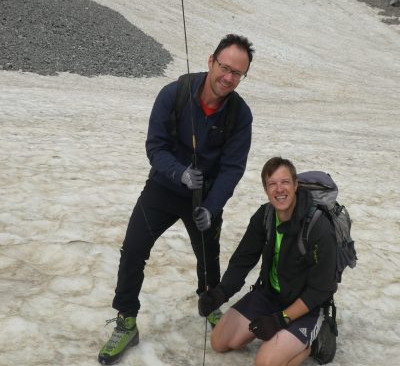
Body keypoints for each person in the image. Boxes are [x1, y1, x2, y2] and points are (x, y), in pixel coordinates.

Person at [98, 34, 255, 365]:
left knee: (208, 257)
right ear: (211, 61)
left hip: (206, 196)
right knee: (133, 250)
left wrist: (212, 208)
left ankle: (209, 301)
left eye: (237, 73)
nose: (228, 78)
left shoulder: (240, 115)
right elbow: (155, 147)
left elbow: (232, 169)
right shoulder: (175, 94)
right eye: (225, 67)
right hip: (164, 189)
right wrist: (179, 172)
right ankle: (126, 321)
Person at [198, 157, 337, 366]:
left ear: (296, 185)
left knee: (266, 362)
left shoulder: (318, 227)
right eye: (272, 184)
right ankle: (284, 335)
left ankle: (312, 342)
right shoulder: (265, 216)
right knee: (220, 341)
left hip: (306, 306)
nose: (279, 189)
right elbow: (242, 262)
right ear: (265, 189)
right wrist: (220, 293)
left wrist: (281, 319)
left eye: (285, 182)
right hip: (270, 295)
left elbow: (322, 289)